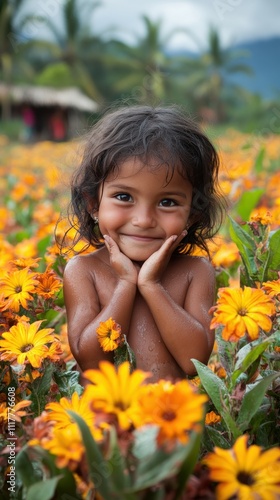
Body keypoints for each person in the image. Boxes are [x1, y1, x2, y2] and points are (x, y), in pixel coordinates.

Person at [62, 105, 226, 382]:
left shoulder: (195, 272)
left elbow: (193, 362)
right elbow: (91, 361)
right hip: (108, 420)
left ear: (192, 214)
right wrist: (126, 284)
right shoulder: (83, 271)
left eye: (167, 202)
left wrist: (151, 285)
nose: (144, 220)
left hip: (170, 417)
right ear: (93, 203)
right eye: (124, 197)